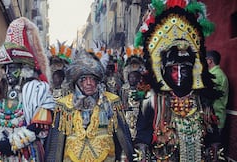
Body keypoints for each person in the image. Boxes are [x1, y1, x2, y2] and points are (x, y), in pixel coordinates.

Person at [133, 1, 224, 161]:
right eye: (174, 70)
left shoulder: (202, 99)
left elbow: (213, 136)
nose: (180, 76)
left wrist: (215, 150)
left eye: (184, 70)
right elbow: (142, 137)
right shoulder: (152, 100)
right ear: (164, 71)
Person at [0, 17, 55, 161]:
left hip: (26, 153)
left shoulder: (39, 90)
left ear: (24, 68)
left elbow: (39, 124)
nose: (9, 73)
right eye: (6, 68)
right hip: (2, 152)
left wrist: (13, 143)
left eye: (14, 68)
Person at [45, 50, 134, 162]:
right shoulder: (64, 105)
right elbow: (55, 146)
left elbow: (123, 139)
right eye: (84, 79)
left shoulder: (111, 101)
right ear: (76, 82)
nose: (89, 83)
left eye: (92, 79)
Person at [206, 50, 229, 132]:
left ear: (209, 61)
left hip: (215, 116)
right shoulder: (215, 73)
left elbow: (209, 94)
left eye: (205, 59)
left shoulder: (216, 75)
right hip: (214, 115)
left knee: (214, 142)